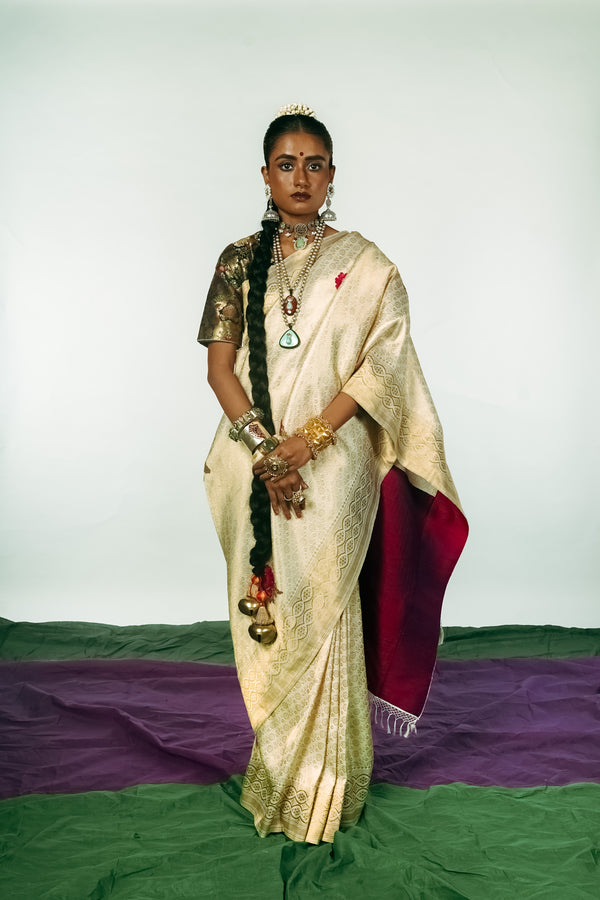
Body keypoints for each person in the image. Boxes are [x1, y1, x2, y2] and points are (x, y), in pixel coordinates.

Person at [198, 104, 468, 844]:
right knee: (269, 615)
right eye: (286, 164)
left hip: (333, 462)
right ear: (265, 174)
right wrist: (263, 448)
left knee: (324, 606)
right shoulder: (234, 261)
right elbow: (221, 370)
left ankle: (328, 783)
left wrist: (307, 442)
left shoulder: (369, 265)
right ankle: (279, 769)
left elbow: (381, 367)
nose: (300, 177)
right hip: (247, 464)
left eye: (314, 164)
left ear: (332, 175)